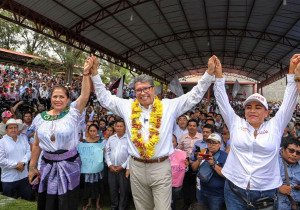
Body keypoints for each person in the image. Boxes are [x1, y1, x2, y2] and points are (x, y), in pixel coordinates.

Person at [89, 55, 216, 209]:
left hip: (160, 167)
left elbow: (193, 96)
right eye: (138, 90)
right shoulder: (127, 107)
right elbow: (104, 98)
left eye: (146, 88)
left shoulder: (169, 106)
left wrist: (209, 74)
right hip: (136, 167)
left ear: (154, 89)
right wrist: (95, 73)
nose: (142, 93)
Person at [213, 54, 300, 209]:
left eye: (258, 107)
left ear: (266, 112)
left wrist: (292, 72)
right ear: (244, 110)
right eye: (249, 107)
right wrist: (219, 75)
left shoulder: (275, 126)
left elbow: (289, 102)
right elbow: (221, 100)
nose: (252, 110)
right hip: (234, 190)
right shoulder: (235, 123)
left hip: (265, 193)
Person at [28, 56, 92, 210]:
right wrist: (32, 166)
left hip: (69, 165)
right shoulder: (39, 118)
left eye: (61, 96)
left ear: (68, 99)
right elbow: (36, 144)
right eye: (54, 96)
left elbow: (84, 96)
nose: (58, 99)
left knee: (67, 202)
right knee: (48, 202)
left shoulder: (73, 113)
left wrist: (85, 74)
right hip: (47, 166)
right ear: (50, 98)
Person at [0, 119, 32, 200]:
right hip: (9, 178)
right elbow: (1, 160)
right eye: (11, 128)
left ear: (18, 129)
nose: (13, 129)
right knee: (9, 204)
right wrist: (16, 165)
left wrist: (23, 163)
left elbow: (29, 152)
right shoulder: (2, 142)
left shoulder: (23, 139)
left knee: (27, 201)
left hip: (24, 176)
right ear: (6, 130)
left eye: (15, 127)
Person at [197, 133, 227, 210]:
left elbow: (226, 174)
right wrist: (198, 160)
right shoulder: (203, 152)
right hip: (202, 190)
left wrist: (213, 164)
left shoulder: (224, 156)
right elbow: (194, 168)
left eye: (214, 143)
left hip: (216, 194)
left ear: (219, 144)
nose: (211, 145)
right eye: (209, 142)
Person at [105, 120, 130, 210]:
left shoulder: (128, 139)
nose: (119, 128)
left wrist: (122, 166)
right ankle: (114, 206)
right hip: (111, 169)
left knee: (123, 190)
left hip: (123, 170)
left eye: (121, 126)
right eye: (117, 126)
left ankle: (122, 207)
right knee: (113, 189)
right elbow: (107, 152)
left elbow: (131, 155)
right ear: (114, 127)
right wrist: (110, 165)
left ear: (125, 127)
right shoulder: (111, 138)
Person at [81, 124, 105, 210]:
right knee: (88, 185)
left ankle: (98, 204)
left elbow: (104, 153)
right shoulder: (84, 142)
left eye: (94, 131)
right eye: (90, 131)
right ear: (88, 131)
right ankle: (89, 203)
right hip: (87, 168)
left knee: (98, 185)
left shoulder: (101, 141)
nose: (92, 133)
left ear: (97, 131)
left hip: (98, 168)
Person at [278, 138, 300, 209]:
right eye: (291, 151)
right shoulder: (273, 161)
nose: (294, 155)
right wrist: (278, 188)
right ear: (283, 149)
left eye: (298, 153)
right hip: (280, 205)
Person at [170, 134, 188, 210]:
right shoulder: (159, 154)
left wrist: (187, 166)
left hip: (176, 185)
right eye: (168, 142)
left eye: (173, 141)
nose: (171, 144)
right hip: (162, 183)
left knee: (174, 202)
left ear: (176, 143)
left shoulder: (182, 153)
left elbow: (185, 169)